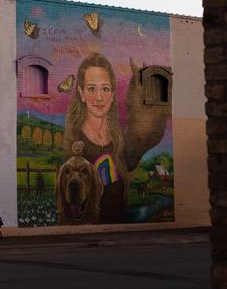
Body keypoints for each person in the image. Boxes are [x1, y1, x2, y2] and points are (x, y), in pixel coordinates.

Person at [61, 52, 167, 223]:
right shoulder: (74, 140)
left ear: (112, 95)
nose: (99, 97)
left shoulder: (119, 139)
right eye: (91, 88)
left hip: (121, 230)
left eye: (105, 88)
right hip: (88, 229)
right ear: (81, 93)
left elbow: (140, 149)